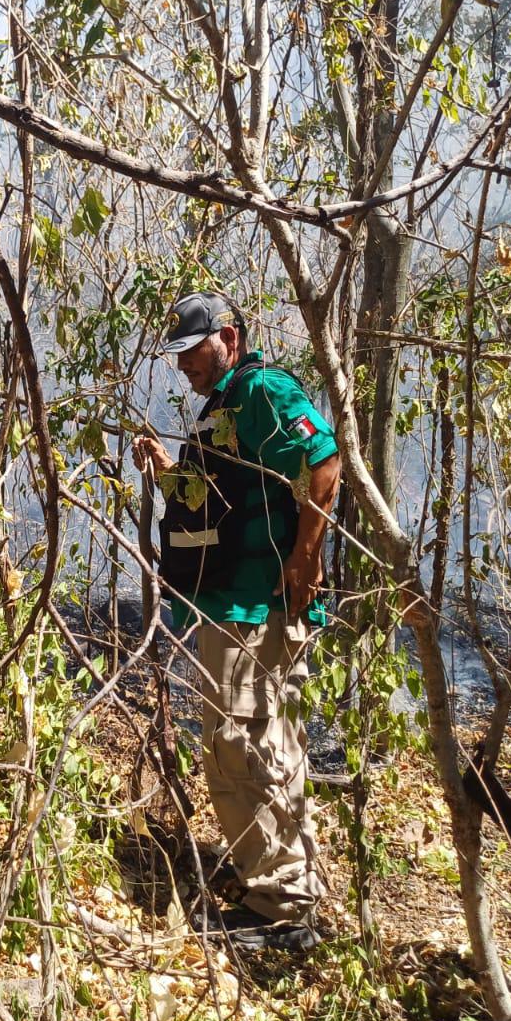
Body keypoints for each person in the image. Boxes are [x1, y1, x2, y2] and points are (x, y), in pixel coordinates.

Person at [132, 291, 341, 953]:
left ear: (227, 337)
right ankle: (278, 874)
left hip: (259, 610)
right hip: (229, 607)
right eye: (177, 358)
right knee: (265, 746)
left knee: (243, 745)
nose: (183, 367)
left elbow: (325, 459)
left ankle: (279, 910)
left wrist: (306, 560)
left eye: (191, 353)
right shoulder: (219, 413)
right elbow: (210, 502)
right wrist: (169, 472)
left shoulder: (262, 391)